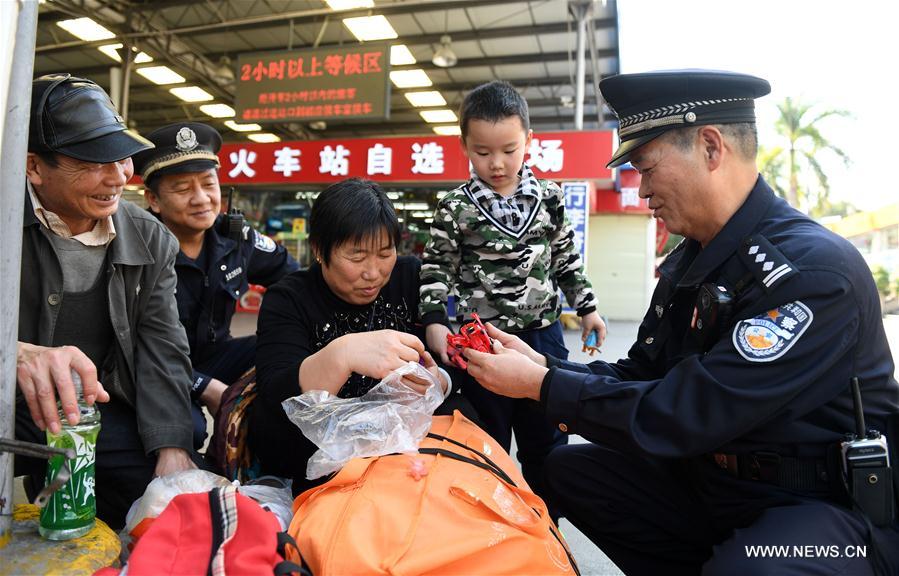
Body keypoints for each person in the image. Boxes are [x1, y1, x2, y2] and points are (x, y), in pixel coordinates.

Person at [463, 69, 899, 575]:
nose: (641, 189)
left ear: (711, 147)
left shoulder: (810, 272)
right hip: (713, 482)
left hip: (816, 508)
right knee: (568, 470)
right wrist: (544, 367)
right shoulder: (691, 261)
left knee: (750, 570)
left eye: (647, 168)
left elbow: (693, 408)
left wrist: (542, 387)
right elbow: (643, 373)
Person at [15, 74, 201, 529]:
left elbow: (162, 344)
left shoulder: (149, 238)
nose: (118, 176)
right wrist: (14, 354)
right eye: (94, 161)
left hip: (91, 407)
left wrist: (171, 448)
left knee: (165, 475)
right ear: (34, 167)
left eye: (121, 157)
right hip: (11, 404)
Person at [419, 80, 606, 509]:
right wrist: (433, 321)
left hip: (542, 340)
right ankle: (489, 534)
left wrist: (589, 308)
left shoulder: (550, 197)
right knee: (485, 444)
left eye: (509, 149)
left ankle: (548, 531)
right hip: (480, 346)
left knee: (549, 446)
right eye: (482, 152)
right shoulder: (455, 207)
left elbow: (565, 258)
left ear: (529, 141)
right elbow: (436, 268)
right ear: (464, 145)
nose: (497, 163)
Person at [250, 178, 456, 495]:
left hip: (404, 458)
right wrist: (342, 354)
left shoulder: (412, 278)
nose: (373, 273)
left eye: (385, 253)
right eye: (357, 257)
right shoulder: (288, 299)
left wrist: (438, 381)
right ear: (319, 250)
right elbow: (276, 399)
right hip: (322, 469)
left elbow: (453, 358)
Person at [132, 123, 299, 448]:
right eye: (182, 189)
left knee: (287, 354)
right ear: (153, 199)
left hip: (216, 354)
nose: (201, 199)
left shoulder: (235, 237)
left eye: (209, 184)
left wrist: (284, 328)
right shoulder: (137, 248)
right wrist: (206, 388)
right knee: (190, 432)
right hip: (155, 365)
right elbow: (134, 349)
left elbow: (292, 278)